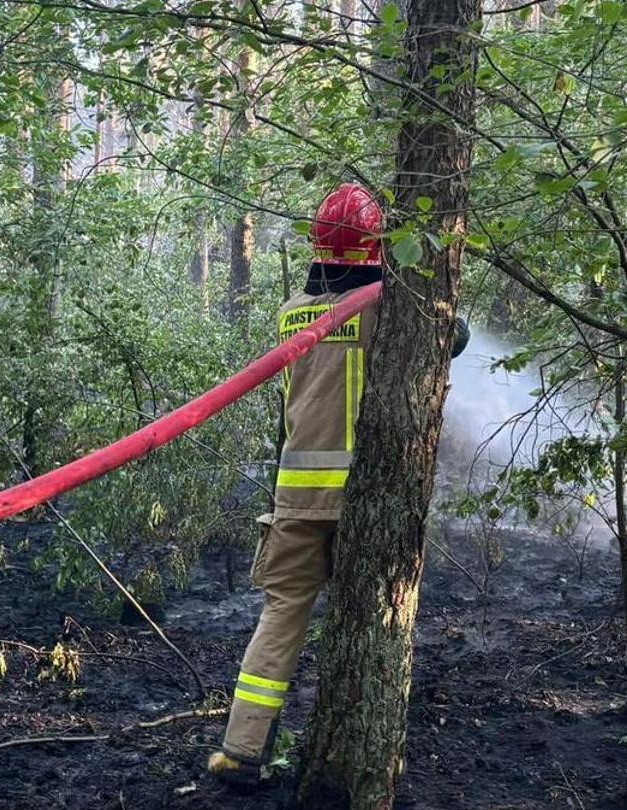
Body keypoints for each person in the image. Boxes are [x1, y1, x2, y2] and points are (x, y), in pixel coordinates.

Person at [206, 182, 468, 784]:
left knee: (280, 616)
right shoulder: (387, 309)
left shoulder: (292, 314)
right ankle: (359, 754)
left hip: (296, 498)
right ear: (376, 249)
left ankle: (240, 750)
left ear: (319, 247)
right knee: (374, 617)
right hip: (364, 495)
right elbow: (454, 337)